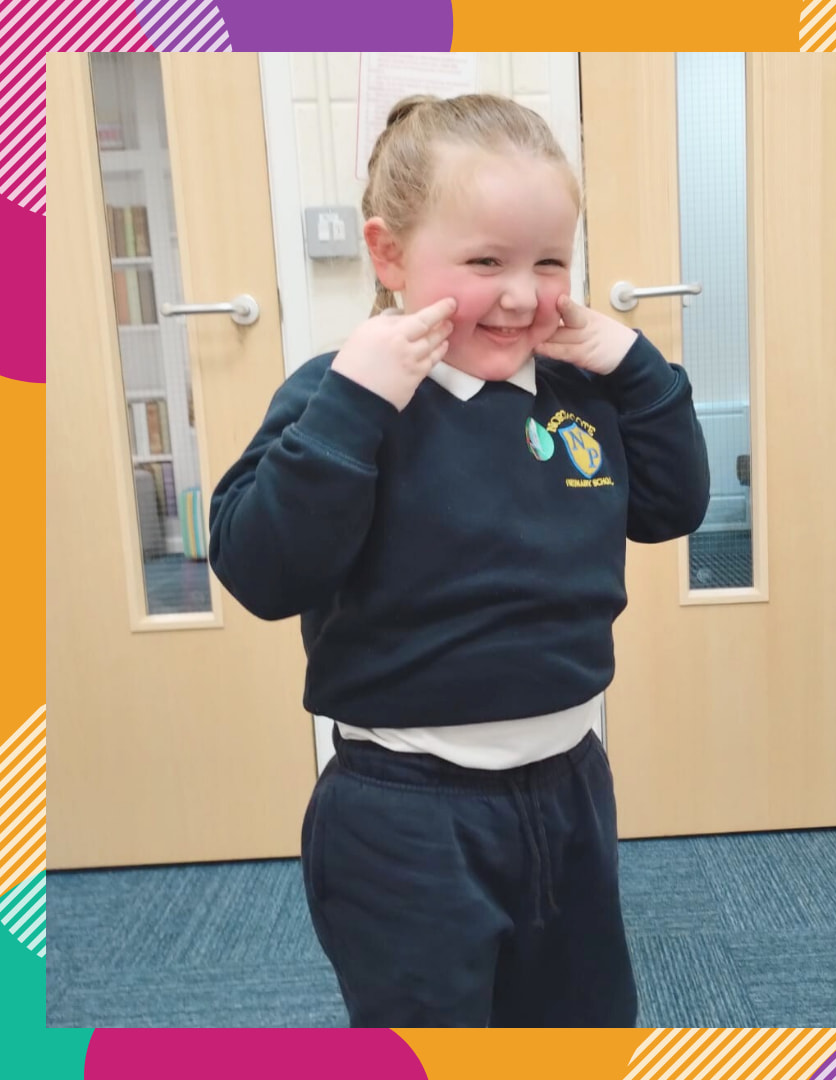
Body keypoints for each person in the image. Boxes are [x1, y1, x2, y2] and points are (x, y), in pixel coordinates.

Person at [208, 92, 710, 1028]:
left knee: (583, 1021)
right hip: (404, 814)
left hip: (567, 788)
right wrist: (357, 402)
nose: (522, 294)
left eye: (550, 261)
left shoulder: (577, 396)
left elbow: (672, 509)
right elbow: (259, 571)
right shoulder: (338, 396)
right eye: (486, 262)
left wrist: (637, 370)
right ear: (390, 254)